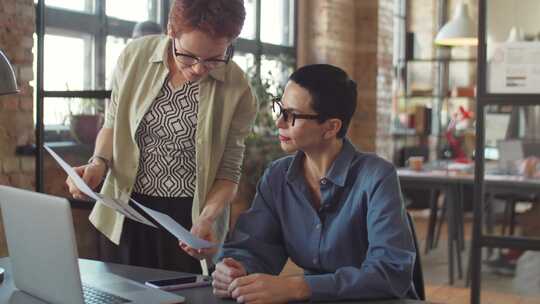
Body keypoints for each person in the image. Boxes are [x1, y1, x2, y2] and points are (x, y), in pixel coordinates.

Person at [66, 0, 257, 274]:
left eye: (215, 58)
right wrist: (98, 163)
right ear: (171, 31)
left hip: (189, 222)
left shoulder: (238, 89)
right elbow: (112, 123)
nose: (199, 69)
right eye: (189, 56)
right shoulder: (134, 56)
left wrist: (207, 218)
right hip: (125, 209)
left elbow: (229, 173)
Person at [211, 64, 419, 302]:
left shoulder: (377, 177)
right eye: (280, 108)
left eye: (292, 115)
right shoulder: (277, 176)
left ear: (331, 127)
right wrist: (235, 268)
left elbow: (390, 272)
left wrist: (298, 287)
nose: (279, 122)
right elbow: (254, 246)